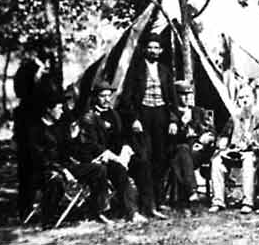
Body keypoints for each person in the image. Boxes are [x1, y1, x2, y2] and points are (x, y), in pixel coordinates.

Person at [27, 88, 110, 226]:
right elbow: (41, 159)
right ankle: (48, 217)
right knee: (55, 179)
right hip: (44, 171)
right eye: (59, 108)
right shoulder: (36, 130)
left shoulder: (60, 126)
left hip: (66, 167)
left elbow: (70, 151)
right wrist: (62, 170)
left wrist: (75, 139)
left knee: (99, 169)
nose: (62, 111)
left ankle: (97, 210)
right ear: (49, 109)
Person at [120, 33, 179, 216]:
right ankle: (147, 203)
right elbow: (127, 98)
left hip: (161, 115)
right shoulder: (135, 70)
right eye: (150, 47)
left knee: (160, 159)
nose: (153, 51)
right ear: (145, 49)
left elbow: (173, 98)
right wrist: (134, 119)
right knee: (145, 158)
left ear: (161, 50)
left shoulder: (165, 71)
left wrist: (173, 120)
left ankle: (159, 201)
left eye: (157, 48)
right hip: (143, 115)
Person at [73, 81, 148, 222]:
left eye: (109, 96)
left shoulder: (114, 114)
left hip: (116, 156)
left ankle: (147, 206)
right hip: (100, 159)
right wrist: (114, 157)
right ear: (95, 97)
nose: (107, 99)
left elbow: (121, 137)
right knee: (119, 170)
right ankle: (131, 212)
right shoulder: (89, 117)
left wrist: (125, 149)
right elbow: (92, 145)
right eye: (103, 96)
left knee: (141, 164)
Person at [209, 84, 259, 214]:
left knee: (248, 162)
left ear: (253, 98)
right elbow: (224, 134)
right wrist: (223, 141)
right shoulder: (235, 116)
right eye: (241, 97)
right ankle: (218, 201)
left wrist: (252, 139)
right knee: (217, 161)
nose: (244, 100)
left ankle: (248, 202)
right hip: (234, 151)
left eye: (247, 97)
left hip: (252, 152)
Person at [13, 48, 58, 220]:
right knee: (26, 168)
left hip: (45, 124)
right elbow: (21, 93)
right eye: (45, 59)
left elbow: (52, 96)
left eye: (49, 60)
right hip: (27, 124)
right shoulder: (25, 70)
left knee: (45, 163)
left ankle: (48, 206)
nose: (48, 63)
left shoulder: (50, 74)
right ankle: (25, 208)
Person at [167, 80, 216, 206]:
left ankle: (186, 193)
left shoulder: (198, 111)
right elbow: (171, 137)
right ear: (176, 96)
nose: (188, 97)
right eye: (183, 94)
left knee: (181, 157)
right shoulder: (171, 114)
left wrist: (205, 139)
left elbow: (211, 131)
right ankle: (192, 191)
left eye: (189, 93)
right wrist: (182, 123)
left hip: (199, 149)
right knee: (182, 151)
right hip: (179, 148)